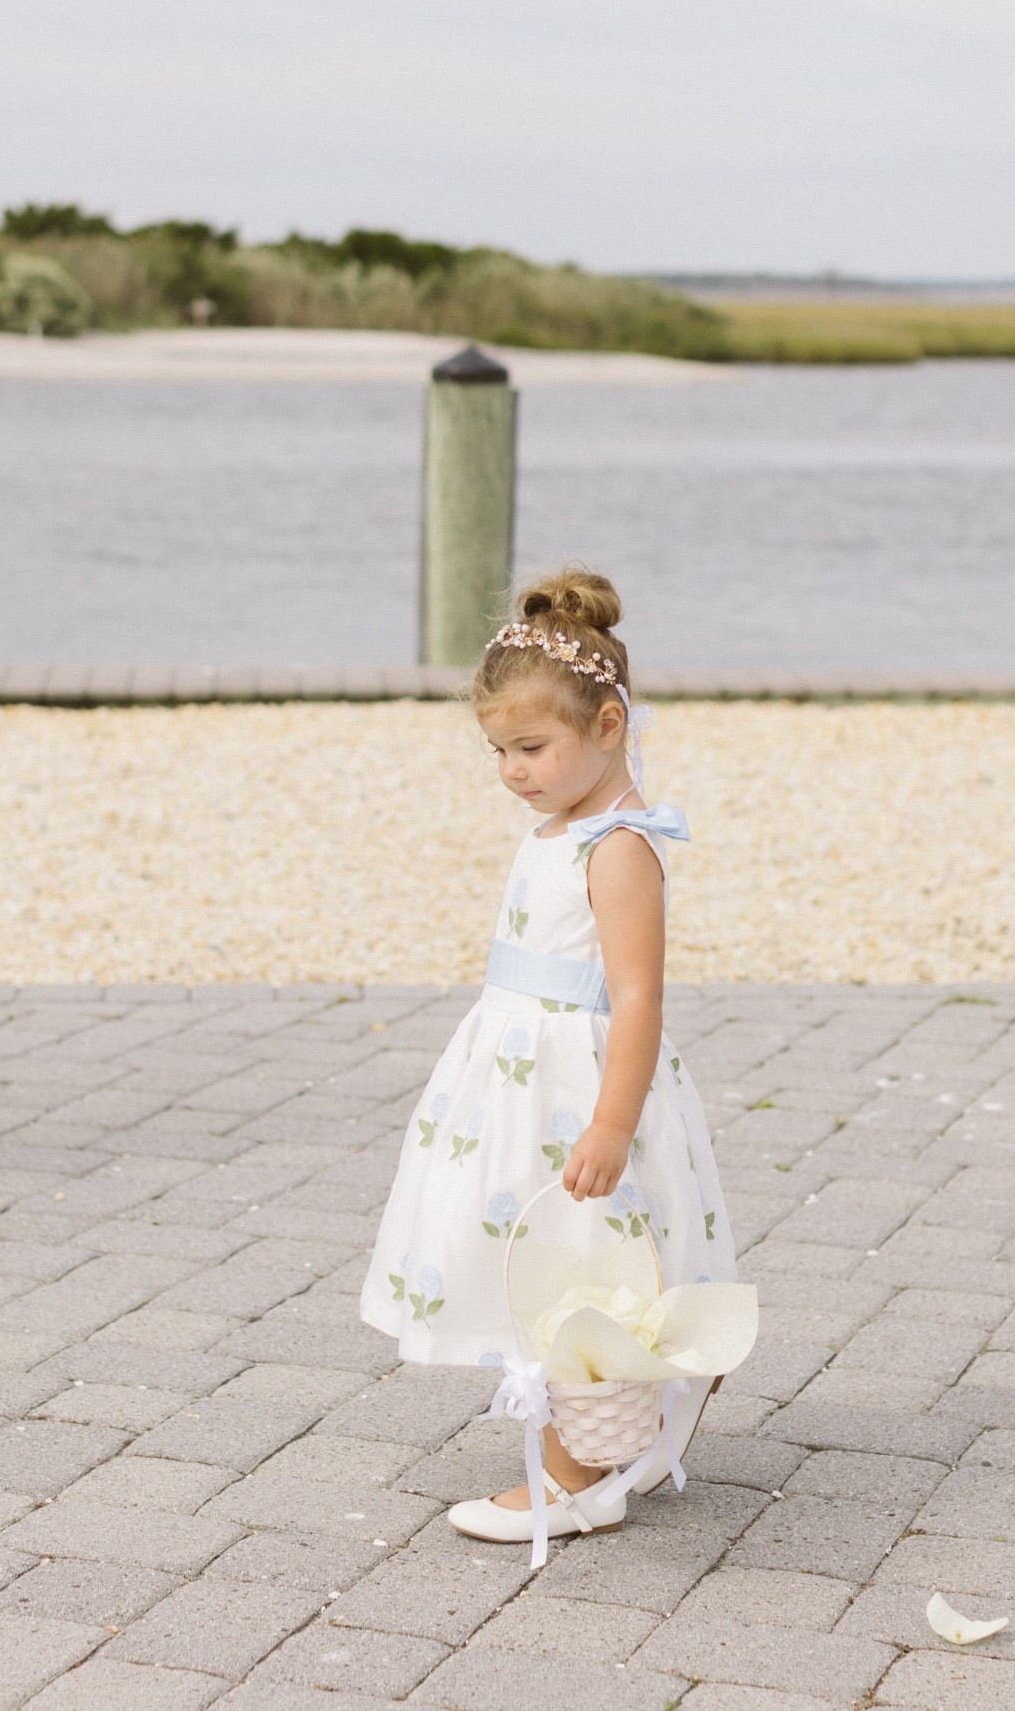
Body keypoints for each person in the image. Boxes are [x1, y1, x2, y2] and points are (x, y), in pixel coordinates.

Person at [360, 567, 735, 1545]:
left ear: (608, 726)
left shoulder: (618, 845)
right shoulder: (556, 830)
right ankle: (624, 1428)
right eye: (499, 750)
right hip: (518, 1082)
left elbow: (639, 992)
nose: (512, 769)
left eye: (530, 745)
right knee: (531, 1252)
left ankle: (582, 1467)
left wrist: (612, 1121)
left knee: (586, 1260)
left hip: (580, 1087)